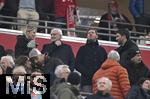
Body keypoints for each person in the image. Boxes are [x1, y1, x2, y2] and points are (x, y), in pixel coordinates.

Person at [75, 28, 107, 93]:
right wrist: (87, 72)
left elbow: (106, 64)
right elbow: (77, 64)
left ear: (96, 36)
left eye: (92, 32)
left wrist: (100, 73)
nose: (90, 34)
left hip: (100, 81)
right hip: (86, 81)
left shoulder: (102, 50)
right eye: (88, 33)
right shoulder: (82, 49)